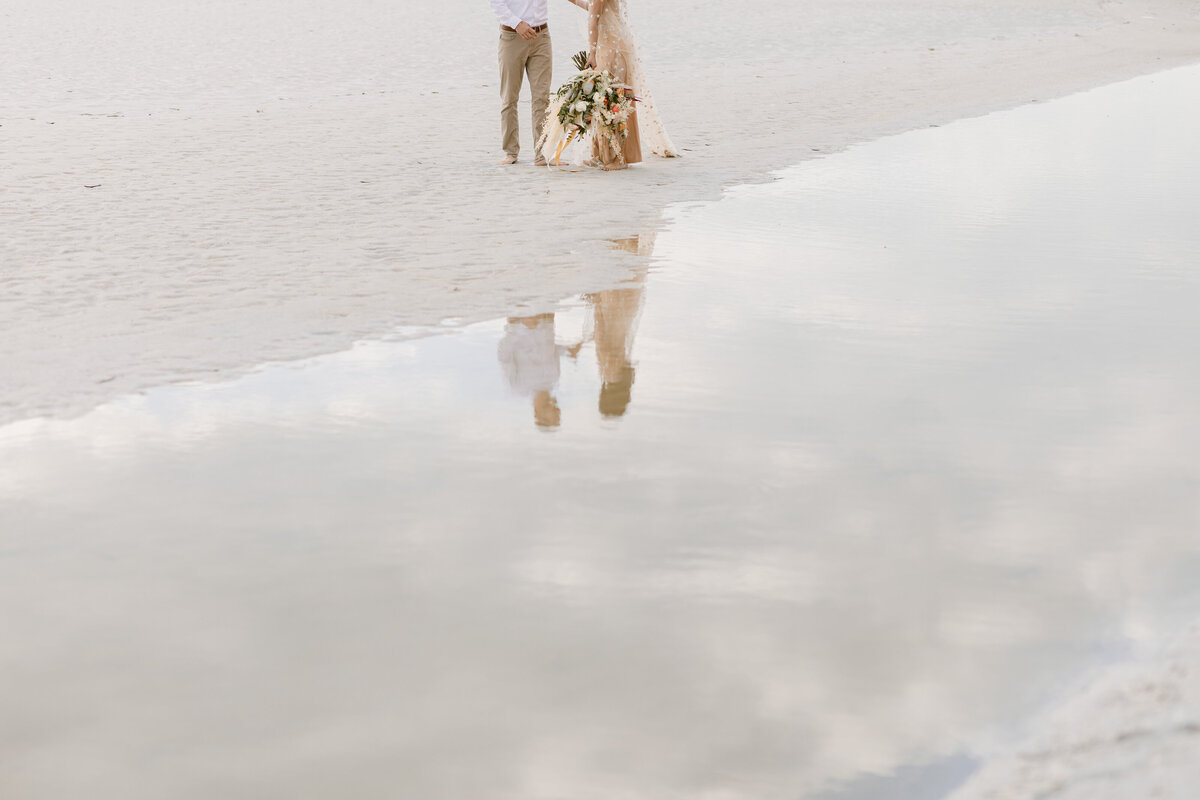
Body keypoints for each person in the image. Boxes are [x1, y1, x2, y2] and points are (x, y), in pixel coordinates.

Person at [562, 0, 678, 169]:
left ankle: (618, 158)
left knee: (612, 100)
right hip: (609, 44)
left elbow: (593, 18)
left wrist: (592, 52)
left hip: (611, 48)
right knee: (603, 98)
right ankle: (602, 155)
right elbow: (595, 8)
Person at [489, 0, 553, 166]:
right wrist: (517, 24)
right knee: (509, 98)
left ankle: (542, 154)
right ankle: (510, 153)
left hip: (541, 37)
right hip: (512, 38)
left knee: (542, 98)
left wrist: (594, 7)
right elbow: (496, 4)